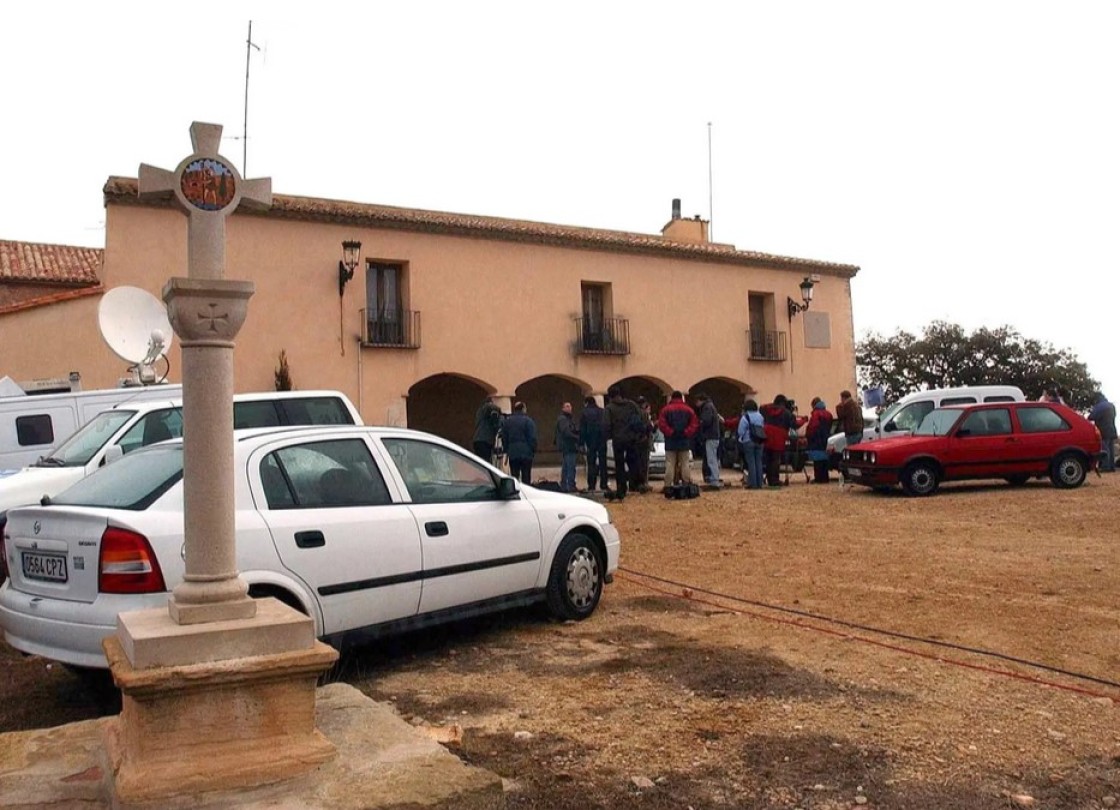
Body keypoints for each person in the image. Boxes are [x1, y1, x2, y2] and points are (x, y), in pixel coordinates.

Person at [603, 385, 642, 500]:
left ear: (610, 397)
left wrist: (608, 436)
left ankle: (621, 488)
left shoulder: (609, 408)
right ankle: (636, 484)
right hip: (632, 438)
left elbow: (606, 425)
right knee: (633, 462)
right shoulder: (631, 405)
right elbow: (639, 418)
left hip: (618, 439)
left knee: (619, 465)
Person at [658, 390, 699, 489]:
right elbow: (694, 424)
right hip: (684, 440)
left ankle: (667, 485)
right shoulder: (689, 410)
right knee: (685, 463)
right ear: (682, 398)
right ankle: (686, 483)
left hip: (670, 441)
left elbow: (662, 424)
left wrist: (671, 432)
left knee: (670, 464)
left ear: (672, 398)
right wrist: (686, 432)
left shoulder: (665, 410)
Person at [760, 394, 796, 487]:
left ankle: (769, 479)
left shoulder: (766, 410)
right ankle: (775, 480)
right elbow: (793, 424)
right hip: (779, 437)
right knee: (776, 460)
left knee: (768, 459)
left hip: (767, 435)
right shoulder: (786, 412)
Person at [500, 401, 537, 485]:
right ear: (523, 409)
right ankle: (526, 493)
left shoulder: (508, 422)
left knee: (515, 475)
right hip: (526, 452)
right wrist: (533, 449)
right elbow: (532, 437)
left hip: (513, 452)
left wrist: (506, 450)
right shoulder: (528, 421)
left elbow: (504, 437)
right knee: (526, 476)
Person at [578, 395, 609, 493]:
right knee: (603, 463)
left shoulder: (585, 413)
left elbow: (582, 429)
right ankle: (604, 484)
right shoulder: (602, 411)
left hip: (590, 440)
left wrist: (581, 443)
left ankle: (592, 485)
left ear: (586, 403)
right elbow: (607, 425)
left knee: (591, 463)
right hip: (602, 440)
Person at [736, 399, 765, 489]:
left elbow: (740, 431)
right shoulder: (760, 416)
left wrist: (741, 438)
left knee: (751, 462)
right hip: (760, 440)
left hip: (749, 440)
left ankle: (752, 483)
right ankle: (760, 483)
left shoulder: (746, 417)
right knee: (759, 462)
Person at [695, 392, 722, 488]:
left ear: (700, 400)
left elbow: (706, 421)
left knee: (711, 459)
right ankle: (714, 477)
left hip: (710, 436)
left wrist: (700, 422)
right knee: (713, 458)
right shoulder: (711, 406)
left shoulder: (707, 407)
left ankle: (714, 480)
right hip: (714, 436)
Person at [805, 398, 835, 483]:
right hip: (826, 439)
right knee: (824, 459)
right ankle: (825, 478)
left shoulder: (816, 414)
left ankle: (818, 478)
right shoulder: (828, 414)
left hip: (816, 439)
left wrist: (808, 435)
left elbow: (812, 427)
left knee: (817, 460)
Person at [554, 401, 580, 492]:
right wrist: (577, 437)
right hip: (568, 445)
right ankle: (570, 485)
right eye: (567, 406)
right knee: (570, 466)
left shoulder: (568, 419)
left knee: (566, 466)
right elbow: (566, 432)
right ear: (563, 408)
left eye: (570, 406)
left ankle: (564, 485)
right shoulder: (563, 419)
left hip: (568, 445)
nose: (569, 408)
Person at [631, 396, 655, 493]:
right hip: (643, 441)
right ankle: (643, 484)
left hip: (633, 441)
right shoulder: (644, 414)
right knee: (643, 464)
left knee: (634, 464)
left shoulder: (631, 413)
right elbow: (649, 428)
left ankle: (633, 484)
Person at [1088, 391, 1117, 472]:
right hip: (1112, 429)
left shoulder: (1099, 406)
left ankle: (1105, 467)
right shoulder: (1111, 405)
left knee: (1104, 448)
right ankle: (1112, 467)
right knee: (1111, 449)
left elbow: (1091, 417)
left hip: (1103, 430)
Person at [472, 396, 503, 462]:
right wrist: (499, 410)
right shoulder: (484, 409)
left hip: (480, 440)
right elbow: (489, 406)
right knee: (485, 462)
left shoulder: (481, 413)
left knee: (482, 461)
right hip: (484, 440)